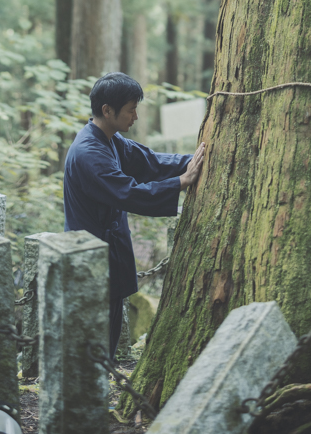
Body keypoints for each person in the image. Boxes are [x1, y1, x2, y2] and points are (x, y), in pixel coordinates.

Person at [63, 71, 206, 357]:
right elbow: (128, 193)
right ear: (107, 110)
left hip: (108, 254)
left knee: (109, 337)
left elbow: (149, 161)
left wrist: (193, 162)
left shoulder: (109, 140)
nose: (136, 117)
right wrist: (180, 182)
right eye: (131, 110)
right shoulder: (89, 152)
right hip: (92, 260)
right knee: (94, 343)